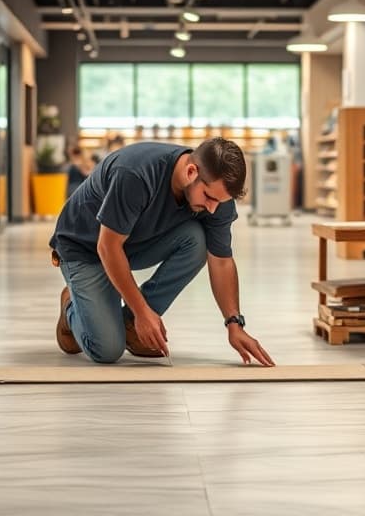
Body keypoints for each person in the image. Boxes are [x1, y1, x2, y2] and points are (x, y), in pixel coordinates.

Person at [49, 138, 274, 366]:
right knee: (107, 350)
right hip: (85, 248)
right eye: (208, 197)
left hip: (129, 242)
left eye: (219, 202)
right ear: (191, 172)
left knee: (197, 240)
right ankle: (71, 308)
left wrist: (234, 324)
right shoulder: (136, 174)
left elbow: (221, 261)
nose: (213, 208)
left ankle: (130, 324)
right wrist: (142, 311)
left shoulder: (217, 195)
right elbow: (107, 247)